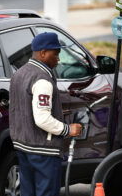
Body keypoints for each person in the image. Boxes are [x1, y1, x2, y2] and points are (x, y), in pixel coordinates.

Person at [9, 32, 82, 196]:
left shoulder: (18, 74)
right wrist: (68, 130)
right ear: (43, 53)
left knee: (28, 192)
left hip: (23, 146)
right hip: (43, 150)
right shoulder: (42, 79)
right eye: (55, 54)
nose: (58, 59)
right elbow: (42, 119)